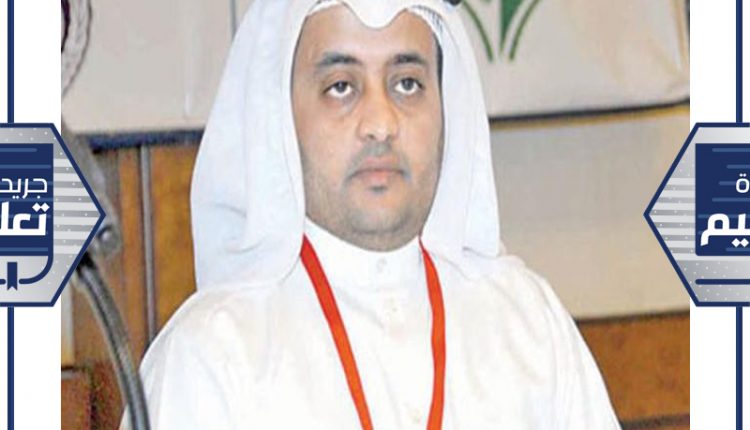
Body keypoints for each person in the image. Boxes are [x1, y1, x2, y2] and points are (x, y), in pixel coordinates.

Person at [122, 0, 621, 428]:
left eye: (407, 84)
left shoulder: (529, 325)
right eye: (341, 86)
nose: (381, 124)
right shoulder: (209, 357)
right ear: (279, 118)